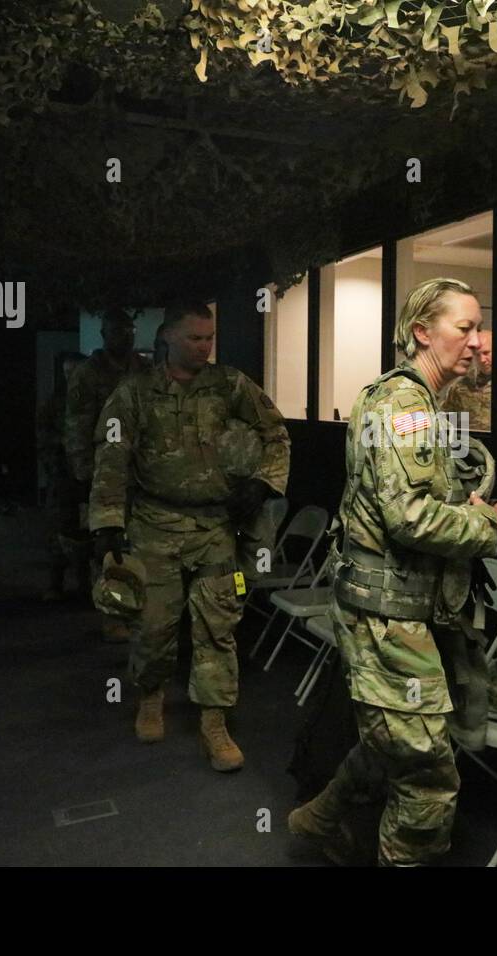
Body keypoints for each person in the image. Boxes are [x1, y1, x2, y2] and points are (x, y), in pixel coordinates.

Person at [288, 277, 497, 866]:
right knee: (428, 776)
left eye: (480, 328)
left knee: (390, 746)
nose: (478, 342)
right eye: (464, 328)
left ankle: (316, 821)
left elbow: (421, 496)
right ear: (423, 332)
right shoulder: (402, 405)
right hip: (386, 616)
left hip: (406, 610)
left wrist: (480, 507)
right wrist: (488, 532)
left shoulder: (428, 403)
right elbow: (410, 520)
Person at [88, 303, 289, 771]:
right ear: (168, 338)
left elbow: (275, 431)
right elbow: (112, 456)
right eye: (195, 338)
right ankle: (151, 695)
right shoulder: (135, 392)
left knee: (218, 627)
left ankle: (215, 722)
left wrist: (262, 483)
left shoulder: (229, 385)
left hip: (214, 527)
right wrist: (106, 522)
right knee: (154, 626)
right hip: (155, 525)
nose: (205, 347)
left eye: (209, 337)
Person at [65, 309, 149, 640]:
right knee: (108, 546)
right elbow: (76, 424)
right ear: (104, 335)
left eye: (128, 330)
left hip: (142, 471)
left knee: (140, 543)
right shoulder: (87, 373)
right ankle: (113, 615)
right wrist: (84, 470)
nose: (124, 336)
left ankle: (140, 609)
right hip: (104, 471)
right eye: (117, 331)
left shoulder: (144, 368)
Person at [37, 351, 87, 600]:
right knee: (58, 529)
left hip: (88, 476)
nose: (72, 377)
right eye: (68, 373)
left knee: (87, 531)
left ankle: (85, 583)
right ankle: (54, 583)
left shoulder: (94, 400)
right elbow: (42, 434)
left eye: (76, 371)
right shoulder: (55, 402)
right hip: (62, 475)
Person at [442, 329, 492, 430]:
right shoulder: (461, 386)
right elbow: (446, 422)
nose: (482, 360)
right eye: (477, 355)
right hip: (468, 442)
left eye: (486, 353)